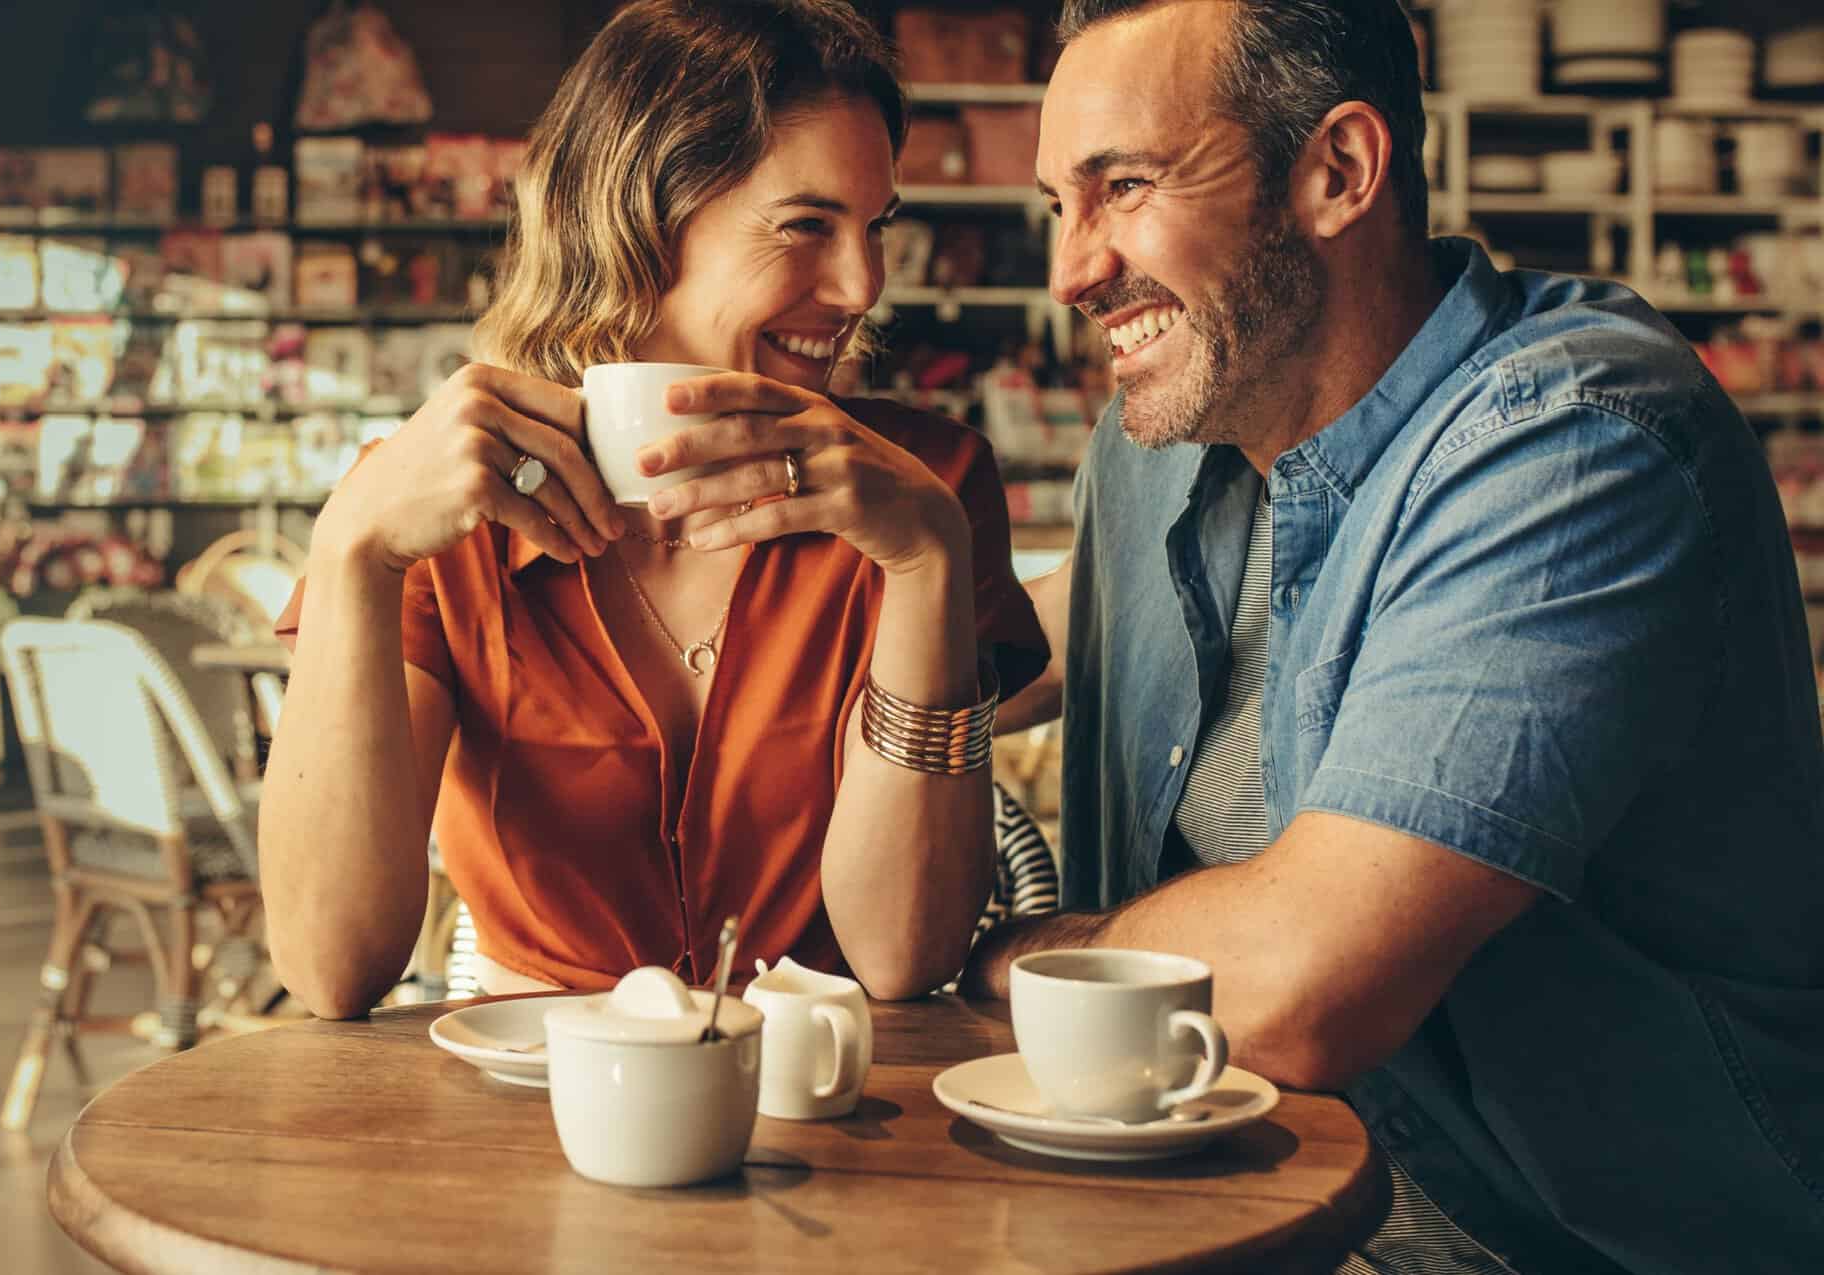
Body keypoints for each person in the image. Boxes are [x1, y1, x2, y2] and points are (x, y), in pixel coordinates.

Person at [970, 2, 1824, 1272]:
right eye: (1060, 205)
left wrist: (1011, 952)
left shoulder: (1575, 444)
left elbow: (1301, 988)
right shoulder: (1158, 446)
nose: (1073, 271)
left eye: (1126, 187)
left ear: (1339, 172)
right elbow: (1036, 638)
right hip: (1239, 1215)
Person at [260, 0, 1047, 1017]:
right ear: (636, 217)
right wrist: (353, 551)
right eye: (806, 225)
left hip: (840, 1127)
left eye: (876, 227)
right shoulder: (438, 504)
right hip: (530, 1115)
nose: (864, 284)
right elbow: (329, 967)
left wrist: (929, 562)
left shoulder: (926, 489)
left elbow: (901, 955)